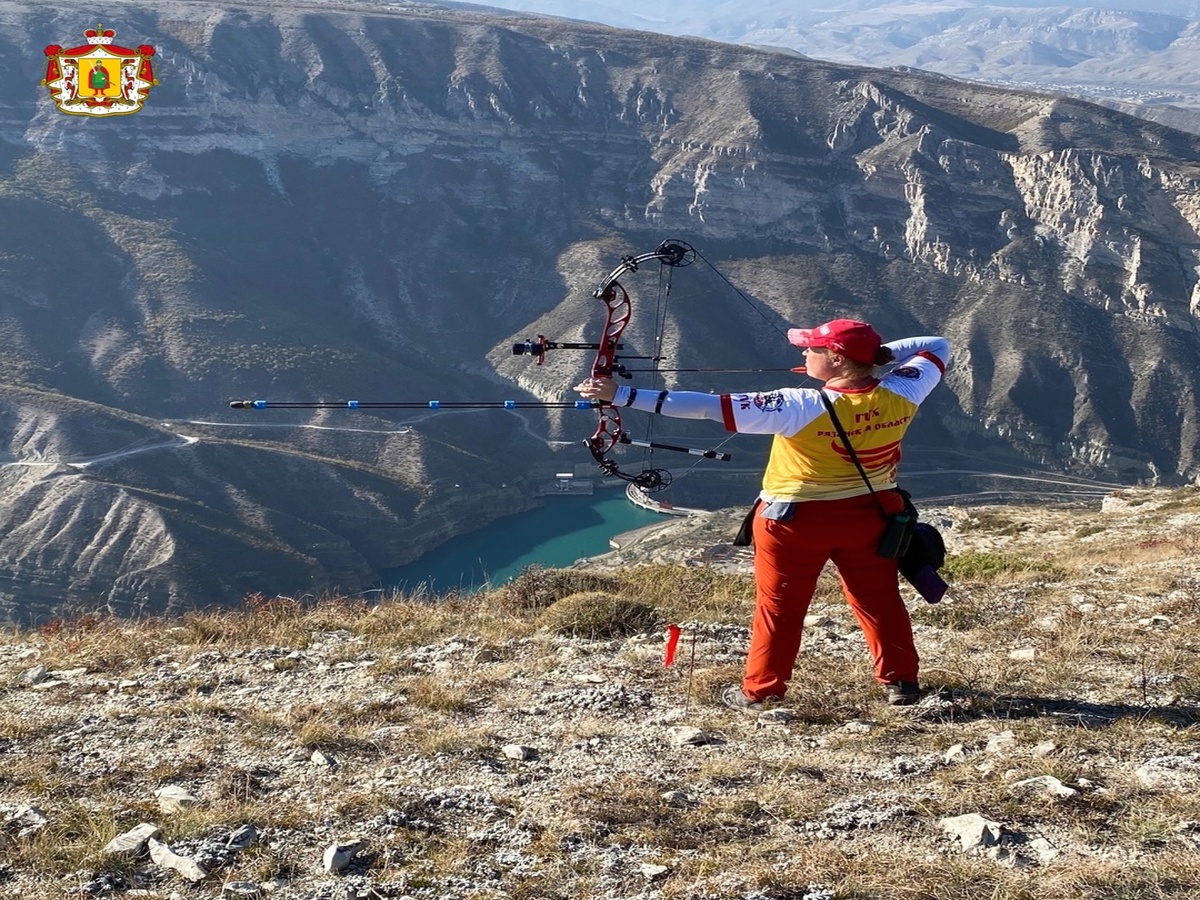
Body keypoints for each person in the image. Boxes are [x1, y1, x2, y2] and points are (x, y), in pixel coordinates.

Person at [575, 319, 951, 708]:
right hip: (872, 517)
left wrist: (621, 394)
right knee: (879, 599)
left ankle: (762, 692)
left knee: (779, 608)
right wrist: (878, 356)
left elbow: (706, 408)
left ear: (837, 359)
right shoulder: (905, 389)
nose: (804, 353)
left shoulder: (798, 406)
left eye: (813, 349)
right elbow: (937, 344)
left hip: (794, 522)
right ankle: (902, 683)